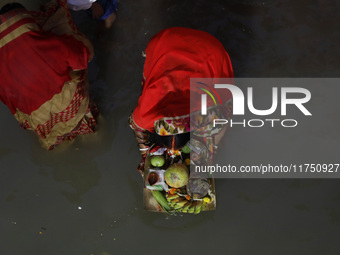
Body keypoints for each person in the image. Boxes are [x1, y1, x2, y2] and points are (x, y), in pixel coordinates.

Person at [129, 27, 234, 174]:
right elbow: (138, 130)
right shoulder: (144, 117)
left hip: (209, 50)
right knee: (152, 79)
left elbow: (224, 121)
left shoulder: (209, 115)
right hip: (165, 41)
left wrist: (211, 152)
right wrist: (145, 155)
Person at [0, 1, 97, 150]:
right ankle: (89, 132)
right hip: (65, 105)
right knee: (80, 119)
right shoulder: (47, 47)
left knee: (52, 135)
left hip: (35, 117)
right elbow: (86, 54)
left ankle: (57, 146)